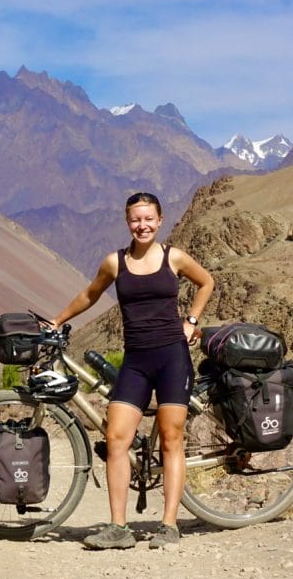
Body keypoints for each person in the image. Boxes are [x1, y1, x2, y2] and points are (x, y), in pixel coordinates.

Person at [51, 192, 214, 550]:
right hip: (136, 361)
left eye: (148, 219)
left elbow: (207, 283)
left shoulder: (175, 258)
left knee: (171, 440)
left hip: (172, 357)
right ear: (128, 222)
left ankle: (169, 525)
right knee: (116, 440)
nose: (142, 225)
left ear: (159, 221)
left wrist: (191, 321)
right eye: (135, 220)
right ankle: (118, 528)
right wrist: (58, 320)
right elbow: (90, 294)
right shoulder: (115, 262)